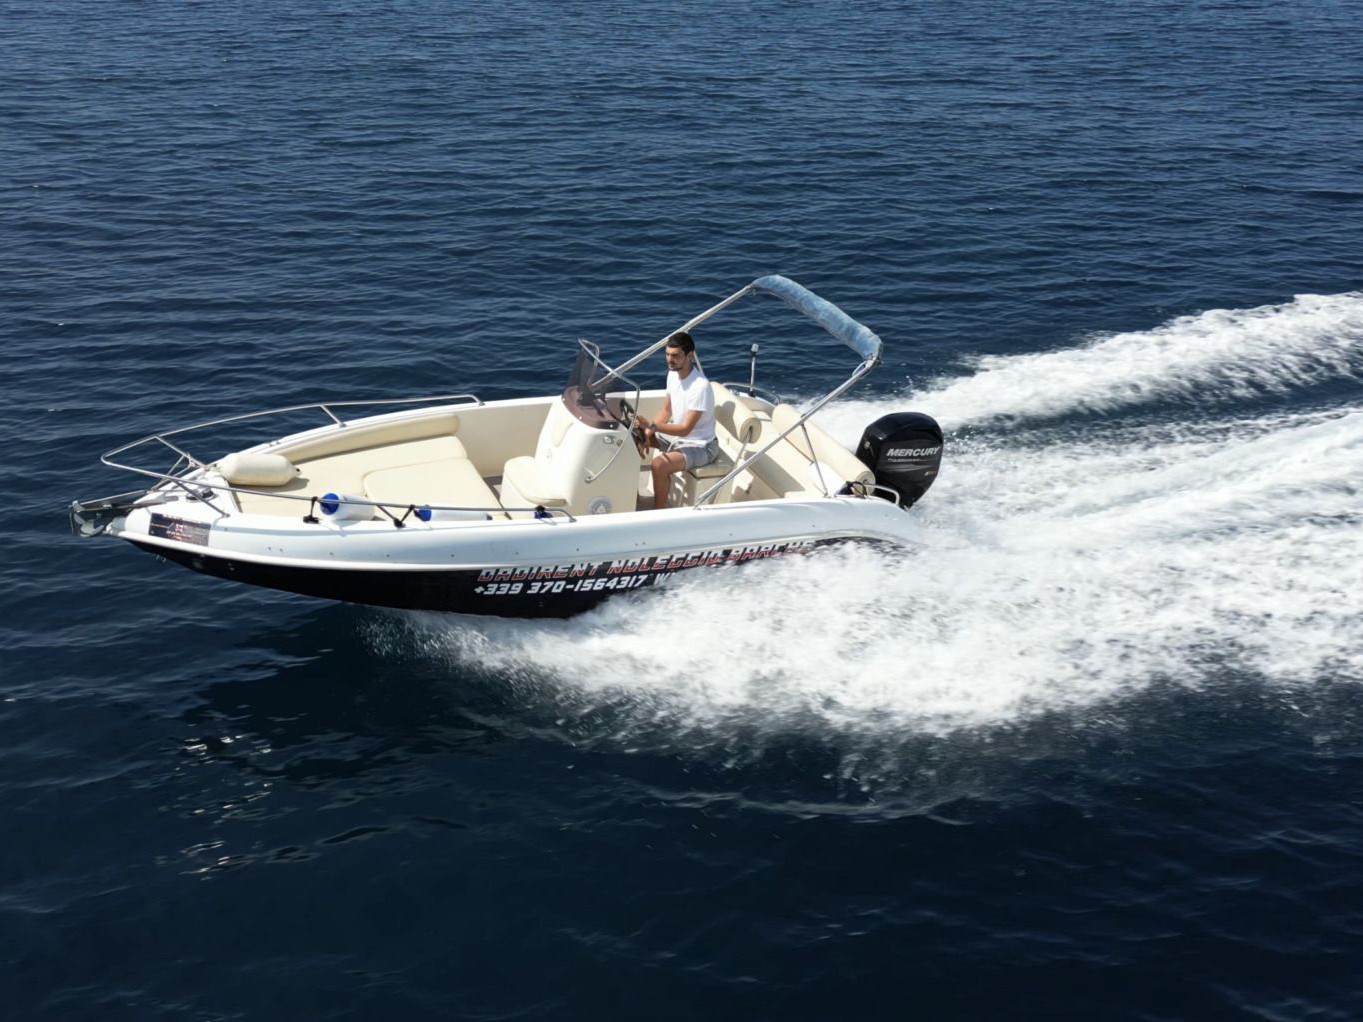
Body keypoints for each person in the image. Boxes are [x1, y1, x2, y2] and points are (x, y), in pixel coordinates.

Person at [634, 330, 719, 510]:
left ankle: (658, 513)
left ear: (690, 355)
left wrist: (652, 426)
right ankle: (631, 497)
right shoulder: (673, 375)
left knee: (659, 465)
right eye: (667, 354)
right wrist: (647, 433)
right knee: (634, 439)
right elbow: (666, 410)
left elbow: (685, 429)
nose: (669, 360)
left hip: (701, 445)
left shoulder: (700, 387)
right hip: (679, 439)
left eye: (675, 355)